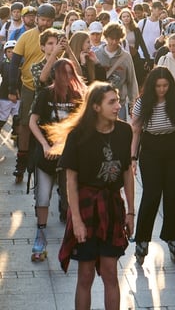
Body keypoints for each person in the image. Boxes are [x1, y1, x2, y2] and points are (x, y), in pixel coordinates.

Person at [54, 82, 135, 310]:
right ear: (96, 107)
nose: (118, 106)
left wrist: (131, 211)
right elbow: (70, 180)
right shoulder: (78, 135)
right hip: (86, 206)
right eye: (112, 102)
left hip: (111, 206)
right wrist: (77, 221)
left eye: (118, 100)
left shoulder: (124, 131)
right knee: (86, 274)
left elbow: (128, 172)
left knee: (110, 272)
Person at [130, 66, 175, 265]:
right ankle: (142, 240)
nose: (162, 90)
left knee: (173, 193)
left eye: (165, 85)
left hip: (174, 145)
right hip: (150, 147)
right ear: (152, 86)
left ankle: (172, 236)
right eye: (158, 86)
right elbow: (136, 131)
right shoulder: (143, 102)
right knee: (151, 194)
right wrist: (133, 157)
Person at [27, 58, 86, 259]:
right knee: (43, 197)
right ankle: (40, 237)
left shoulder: (77, 95)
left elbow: (82, 126)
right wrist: (44, 144)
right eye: (63, 72)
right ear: (55, 74)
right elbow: (32, 122)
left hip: (69, 156)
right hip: (46, 155)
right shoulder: (45, 94)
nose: (67, 77)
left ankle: (72, 240)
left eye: (70, 72)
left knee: (71, 200)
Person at [9, 2, 56, 183]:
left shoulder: (57, 37)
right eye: (42, 19)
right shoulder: (26, 36)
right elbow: (14, 63)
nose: (44, 23)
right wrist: (13, 87)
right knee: (25, 124)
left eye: (48, 20)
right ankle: (21, 162)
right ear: (36, 19)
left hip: (51, 88)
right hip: (29, 86)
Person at [94, 21, 139, 121]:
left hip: (119, 101)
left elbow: (131, 80)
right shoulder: (97, 54)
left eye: (117, 39)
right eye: (111, 39)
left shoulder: (126, 57)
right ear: (105, 37)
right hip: (99, 101)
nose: (114, 42)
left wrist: (133, 103)